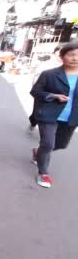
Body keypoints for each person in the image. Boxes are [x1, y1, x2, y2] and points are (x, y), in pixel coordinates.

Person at [30, 42, 78, 188]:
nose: (75, 58)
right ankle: (43, 173)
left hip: (71, 117)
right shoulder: (49, 74)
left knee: (61, 144)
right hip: (49, 115)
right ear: (62, 57)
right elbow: (35, 92)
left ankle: (38, 152)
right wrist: (53, 96)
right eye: (71, 55)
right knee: (48, 143)